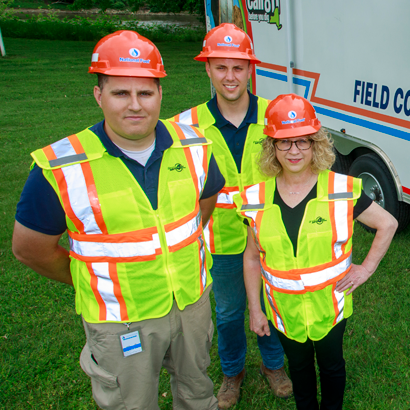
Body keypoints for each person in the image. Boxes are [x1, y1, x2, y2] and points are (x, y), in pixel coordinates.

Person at [12, 30, 225, 410]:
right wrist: (91, 274)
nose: (135, 106)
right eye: (120, 93)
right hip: (120, 319)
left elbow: (204, 203)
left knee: (197, 392)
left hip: (191, 303)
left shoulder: (195, 146)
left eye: (145, 93)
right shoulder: (61, 167)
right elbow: (30, 250)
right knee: (132, 404)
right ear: (98, 95)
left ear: (160, 93)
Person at [235, 93, 398, 410]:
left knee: (332, 368)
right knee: (299, 370)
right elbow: (252, 257)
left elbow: (388, 224)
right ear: (272, 146)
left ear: (316, 144)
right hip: (284, 311)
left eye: (303, 142)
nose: (294, 151)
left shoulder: (341, 189)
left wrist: (366, 268)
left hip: (329, 308)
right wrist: (255, 309)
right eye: (284, 142)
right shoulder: (253, 198)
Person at [170, 23, 292, 409]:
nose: (230, 76)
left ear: (250, 69)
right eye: (221, 67)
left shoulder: (274, 116)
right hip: (218, 240)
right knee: (227, 313)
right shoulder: (184, 127)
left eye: (238, 68)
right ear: (207, 69)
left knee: (271, 305)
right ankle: (232, 373)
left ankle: (273, 365)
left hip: (268, 238)